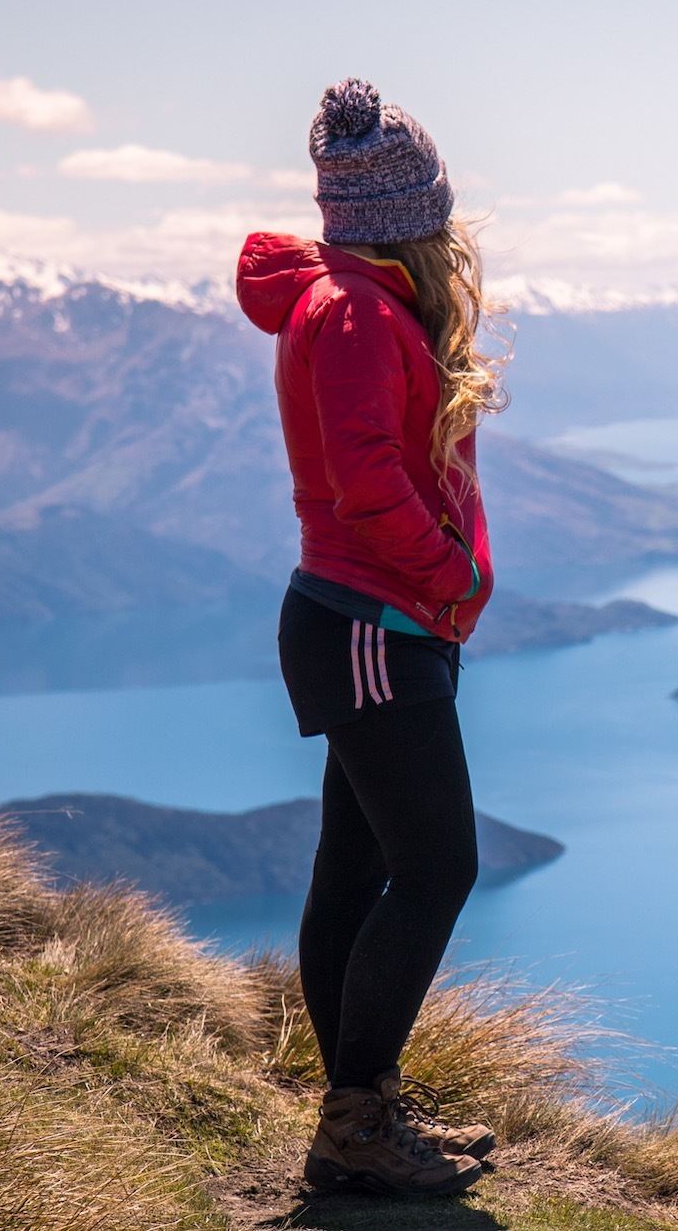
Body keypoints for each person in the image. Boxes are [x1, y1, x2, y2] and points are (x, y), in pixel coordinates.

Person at [235, 76, 509, 1198]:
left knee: (354, 870)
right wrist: (448, 584)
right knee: (438, 866)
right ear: (411, 212)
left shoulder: (360, 298)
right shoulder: (352, 310)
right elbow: (366, 487)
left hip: (369, 622)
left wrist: (440, 599)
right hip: (372, 624)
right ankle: (354, 1119)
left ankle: (361, 1107)